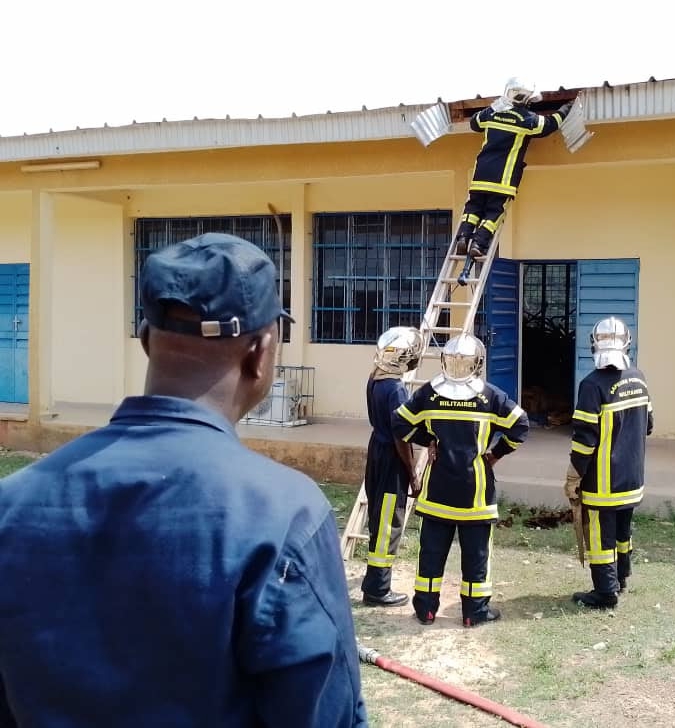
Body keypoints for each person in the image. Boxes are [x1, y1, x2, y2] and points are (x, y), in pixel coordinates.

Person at [0, 233, 367, 727]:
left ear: (147, 341)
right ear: (261, 353)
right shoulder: (281, 514)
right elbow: (324, 714)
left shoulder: (13, 502)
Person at [391, 333, 529, 627]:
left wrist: (427, 439)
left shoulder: (428, 393)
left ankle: (426, 610)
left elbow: (399, 421)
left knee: (431, 553)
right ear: (477, 363)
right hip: (475, 495)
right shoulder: (489, 396)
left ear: (445, 361)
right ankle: (474, 612)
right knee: (476, 556)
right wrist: (494, 455)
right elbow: (521, 425)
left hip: (437, 492)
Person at [564, 316, 653, 610]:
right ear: (627, 343)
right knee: (623, 531)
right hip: (632, 477)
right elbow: (649, 424)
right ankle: (622, 578)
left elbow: (584, 440)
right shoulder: (638, 377)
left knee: (601, 537)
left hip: (603, 483)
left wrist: (574, 476)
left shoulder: (591, 385)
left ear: (594, 344)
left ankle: (605, 593)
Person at [455, 77, 574, 258]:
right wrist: (566, 108)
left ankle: (463, 237)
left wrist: (494, 107)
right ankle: (478, 243)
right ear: (526, 99)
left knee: (473, 209)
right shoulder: (527, 119)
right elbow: (550, 124)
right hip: (503, 179)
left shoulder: (489, 114)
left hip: (480, 176)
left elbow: (474, 122)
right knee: (494, 212)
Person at [360, 325, 424, 607]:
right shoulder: (396, 389)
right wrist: (412, 474)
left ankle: (374, 583)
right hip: (390, 457)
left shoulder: (374, 380)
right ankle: (378, 589)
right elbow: (402, 436)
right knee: (389, 521)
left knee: (378, 517)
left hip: (376, 450)